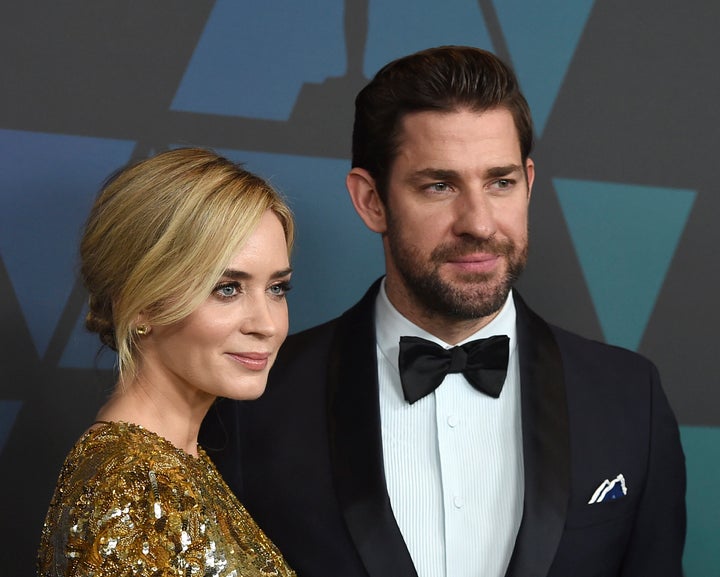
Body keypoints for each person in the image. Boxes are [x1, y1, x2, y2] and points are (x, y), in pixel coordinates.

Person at [201, 46, 687, 577]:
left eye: (500, 182)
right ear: (371, 201)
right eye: (439, 186)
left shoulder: (628, 397)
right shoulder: (253, 404)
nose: (478, 222)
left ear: (528, 182)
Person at [38, 148, 296, 577]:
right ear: (140, 305)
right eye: (227, 288)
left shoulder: (175, 461)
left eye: (277, 288)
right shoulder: (128, 484)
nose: (267, 325)